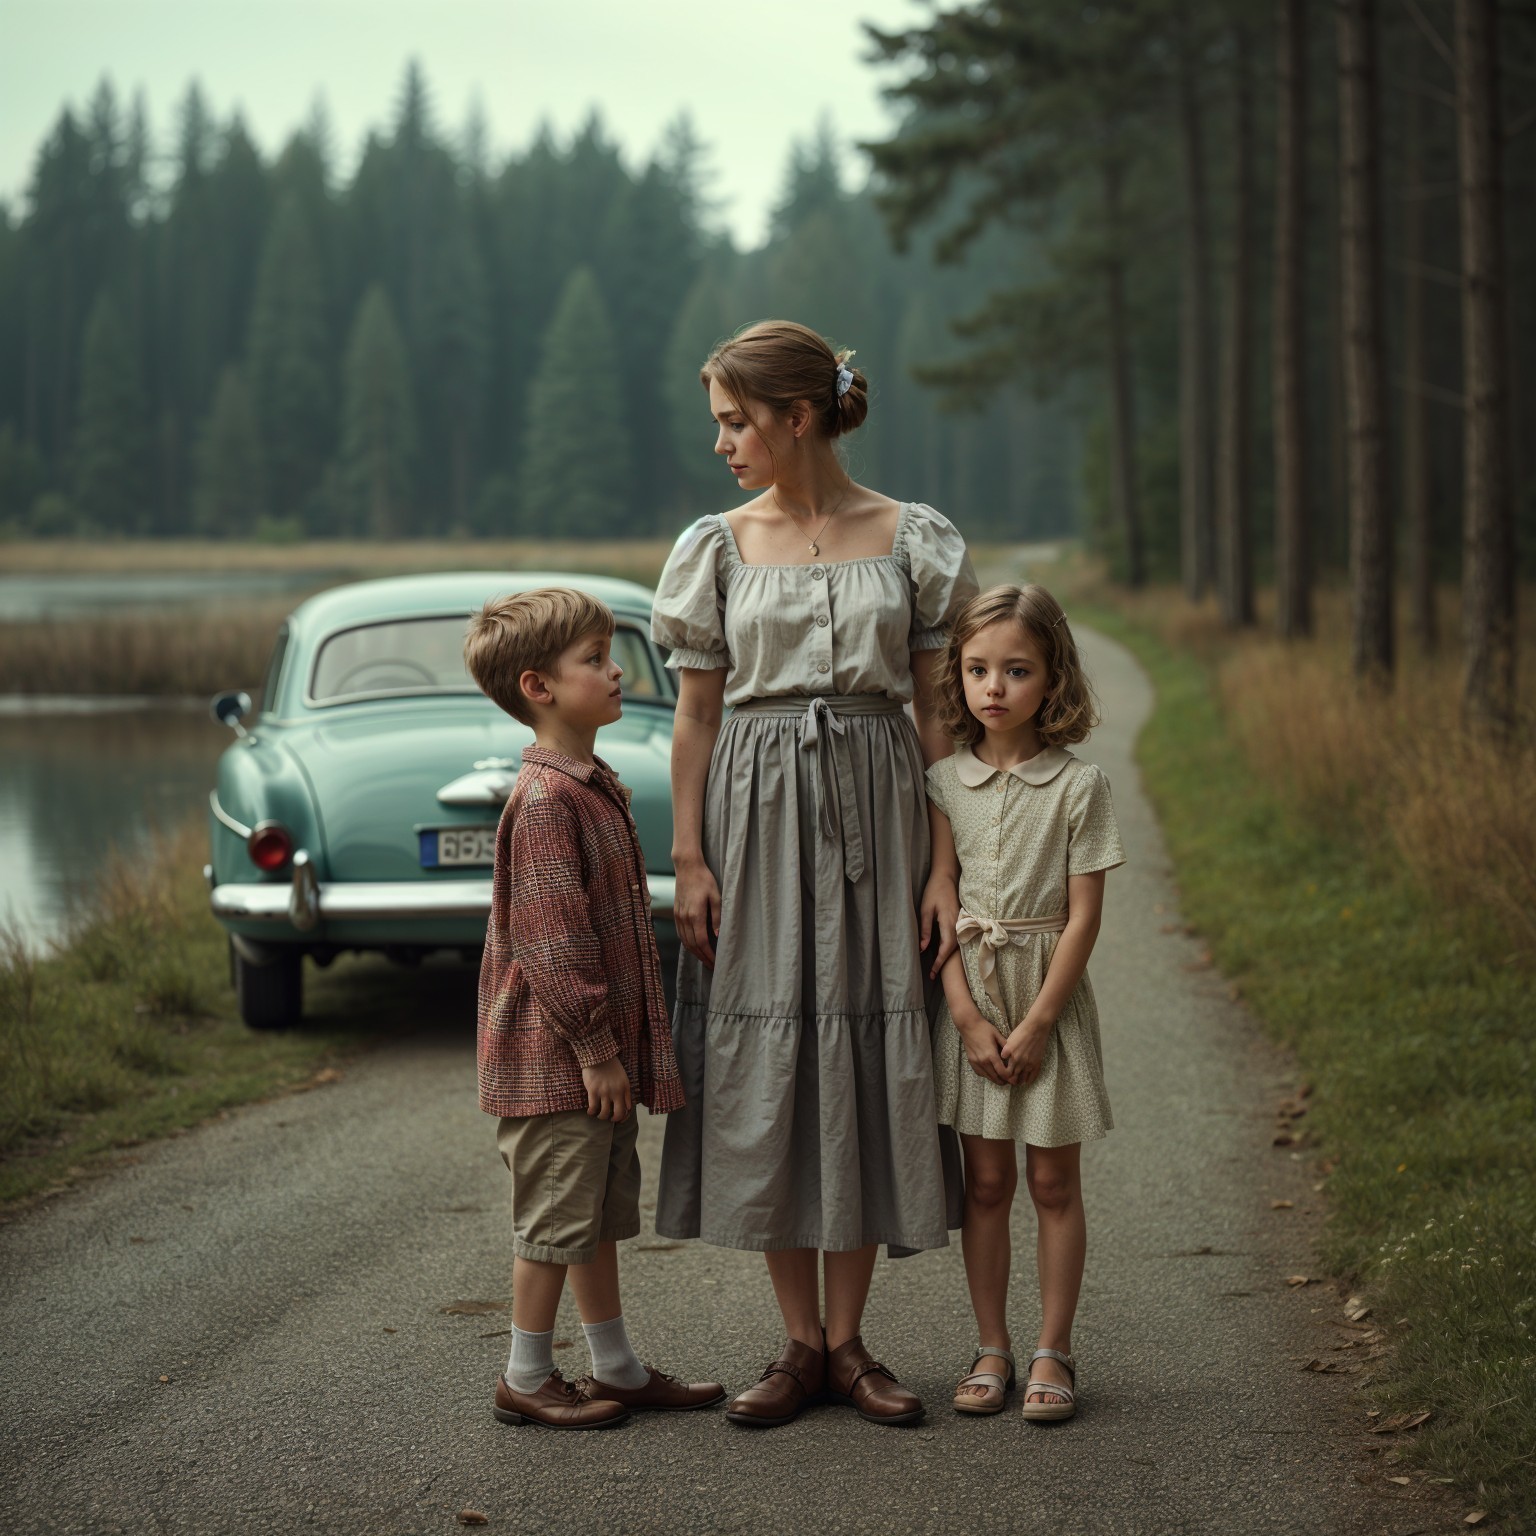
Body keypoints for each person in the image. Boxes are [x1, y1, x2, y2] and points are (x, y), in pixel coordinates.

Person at [650, 320, 979, 1427]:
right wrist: (688, 856)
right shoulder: (718, 547)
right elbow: (695, 717)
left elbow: (937, 716)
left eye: (737, 422)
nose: (723, 445)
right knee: (771, 1057)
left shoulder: (910, 537)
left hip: (883, 807)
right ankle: (796, 1345)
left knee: (867, 1050)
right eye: (717, 426)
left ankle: (850, 1344)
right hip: (751, 810)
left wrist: (948, 865)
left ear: (801, 417)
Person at [464, 587, 725, 1430]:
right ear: (538, 687)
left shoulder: (589, 780)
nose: (617, 672)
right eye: (595, 661)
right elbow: (552, 941)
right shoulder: (546, 802)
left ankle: (614, 1366)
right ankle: (526, 1376)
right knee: (552, 1221)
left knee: (595, 1217)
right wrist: (596, 1047)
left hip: (581, 1061)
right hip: (556, 1063)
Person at [924, 584, 1125, 1424]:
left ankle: (1053, 1348)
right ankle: (990, 1347)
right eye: (977, 670)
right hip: (973, 992)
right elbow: (938, 893)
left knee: (1051, 1179)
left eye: (1016, 669)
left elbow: (1084, 917)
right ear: (959, 678)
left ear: (1054, 678)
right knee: (986, 1183)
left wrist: (1040, 1020)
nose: (994, 687)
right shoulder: (943, 781)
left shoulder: (1079, 788)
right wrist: (966, 1016)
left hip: (1047, 997)